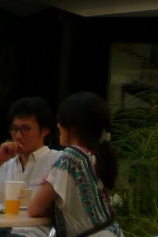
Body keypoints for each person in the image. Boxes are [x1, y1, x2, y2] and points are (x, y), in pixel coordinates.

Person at [28, 93, 123, 237]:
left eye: (62, 121)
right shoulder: (93, 157)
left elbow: (34, 209)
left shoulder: (72, 157)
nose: (58, 125)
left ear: (74, 128)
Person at [0, 98, 59, 237]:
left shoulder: (57, 161)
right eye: (14, 129)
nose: (18, 136)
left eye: (25, 129)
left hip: (34, 233)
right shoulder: (4, 165)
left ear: (45, 131)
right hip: (0, 232)